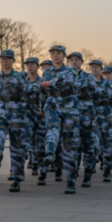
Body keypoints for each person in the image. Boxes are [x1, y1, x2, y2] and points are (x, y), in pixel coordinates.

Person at [0, 50, 31, 192]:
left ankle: (17, 179)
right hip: (0, 112)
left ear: (13, 60)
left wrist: (0, 83)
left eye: (7, 58)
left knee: (17, 147)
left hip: (16, 114)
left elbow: (25, 90)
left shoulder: (19, 76)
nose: (4, 61)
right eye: (2, 59)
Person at [40, 45, 80, 194]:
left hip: (69, 107)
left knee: (69, 145)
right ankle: (50, 152)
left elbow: (68, 82)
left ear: (64, 56)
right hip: (52, 104)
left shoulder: (71, 70)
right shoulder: (46, 71)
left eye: (58, 53)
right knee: (52, 128)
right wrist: (41, 107)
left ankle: (70, 181)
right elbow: (42, 90)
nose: (55, 55)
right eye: (53, 53)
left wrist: (50, 83)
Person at [67, 52, 97, 188]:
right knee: (72, 147)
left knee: (88, 146)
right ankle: (72, 178)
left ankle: (87, 176)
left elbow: (89, 86)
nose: (73, 62)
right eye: (71, 60)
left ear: (81, 62)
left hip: (86, 116)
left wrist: (70, 88)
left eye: (76, 60)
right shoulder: (64, 76)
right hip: (70, 115)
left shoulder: (88, 76)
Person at [89, 61, 112, 182]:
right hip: (91, 114)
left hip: (105, 114)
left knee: (107, 142)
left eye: (96, 67)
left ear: (101, 69)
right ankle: (90, 167)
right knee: (91, 141)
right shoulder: (86, 81)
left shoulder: (108, 83)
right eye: (92, 67)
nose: (94, 69)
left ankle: (107, 171)